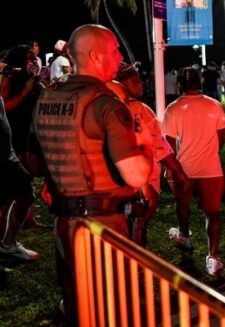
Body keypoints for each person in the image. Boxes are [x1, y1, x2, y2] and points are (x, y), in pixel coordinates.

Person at [27, 24, 153, 322]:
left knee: (77, 306)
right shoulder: (107, 105)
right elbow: (135, 175)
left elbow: (33, 165)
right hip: (104, 226)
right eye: (114, 50)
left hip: (65, 226)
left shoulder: (46, 99)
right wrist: (145, 146)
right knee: (113, 308)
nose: (119, 56)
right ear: (95, 56)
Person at [162, 67, 225, 275]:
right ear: (199, 83)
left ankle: (185, 236)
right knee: (213, 212)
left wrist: (171, 168)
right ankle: (213, 257)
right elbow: (221, 138)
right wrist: (209, 152)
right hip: (212, 167)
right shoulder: (214, 105)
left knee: (182, 203)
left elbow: (168, 144)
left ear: (179, 84)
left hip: (185, 167)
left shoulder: (173, 108)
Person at [117, 65, 189, 245]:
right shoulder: (119, 110)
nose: (141, 84)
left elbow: (159, 145)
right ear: (120, 83)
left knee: (137, 225)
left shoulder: (143, 110)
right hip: (134, 183)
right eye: (135, 81)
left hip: (144, 180)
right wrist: (177, 171)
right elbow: (159, 146)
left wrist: (177, 170)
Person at [0, 92, 38, 261]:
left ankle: (8, 244)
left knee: (23, 195)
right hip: (3, 157)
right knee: (25, 194)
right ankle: (8, 244)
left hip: (7, 155)